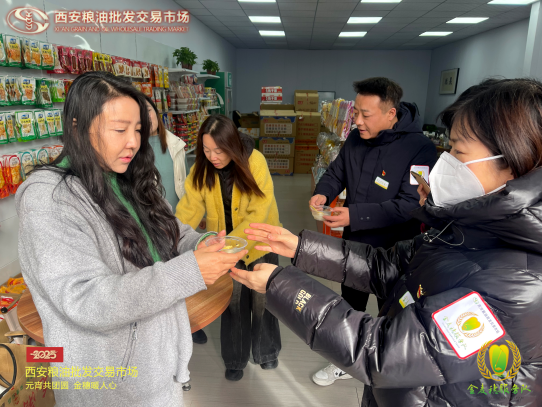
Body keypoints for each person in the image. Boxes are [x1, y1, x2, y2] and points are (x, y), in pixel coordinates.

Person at [230, 78, 542, 406]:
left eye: (458, 151)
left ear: (513, 161)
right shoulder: (464, 229)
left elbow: (385, 354)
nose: (445, 162)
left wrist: (281, 284)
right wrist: (300, 247)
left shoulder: (519, 286)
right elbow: (387, 266)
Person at [15, 71, 247, 407]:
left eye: (138, 129)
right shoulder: (49, 199)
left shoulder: (126, 175)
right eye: (120, 130)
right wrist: (189, 271)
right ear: (78, 128)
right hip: (108, 386)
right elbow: (88, 299)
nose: (134, 142)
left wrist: (200, 243)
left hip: (157, 367)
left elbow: (170, 228)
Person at [309, 77, 437, 385]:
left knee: (391, 312)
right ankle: (345, 360)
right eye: (356, 112)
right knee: (350, 304)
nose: (357, 120)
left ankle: (388, 370)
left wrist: (353, 215)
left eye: (366, 114)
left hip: (394, 251)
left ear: (391, 113)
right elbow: (337, 172)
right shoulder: (356, 138)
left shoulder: (420, 149)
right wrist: (323, 192)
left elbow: (410, 204)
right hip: (355, 243)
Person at [175, 115, 282, 381]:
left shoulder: (255, 162)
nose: (213, 157)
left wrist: (229, 246)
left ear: (232, 144)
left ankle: (267, 351)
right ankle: (235, 359)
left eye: (219, 150)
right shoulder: (201, 170)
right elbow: (188, 209)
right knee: (232, 302)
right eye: (206, 150)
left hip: (259, 242)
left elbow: (259, 212)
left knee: (263, 300)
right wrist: (169, 237)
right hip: (225, 249)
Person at [145, 96, 188, 208]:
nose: (146, 117)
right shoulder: (131, 151)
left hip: (179, 215)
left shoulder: (176, 144)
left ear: (156, 112)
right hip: (150, 217)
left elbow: (188, 183)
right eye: (139, 114)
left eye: (148, 110)